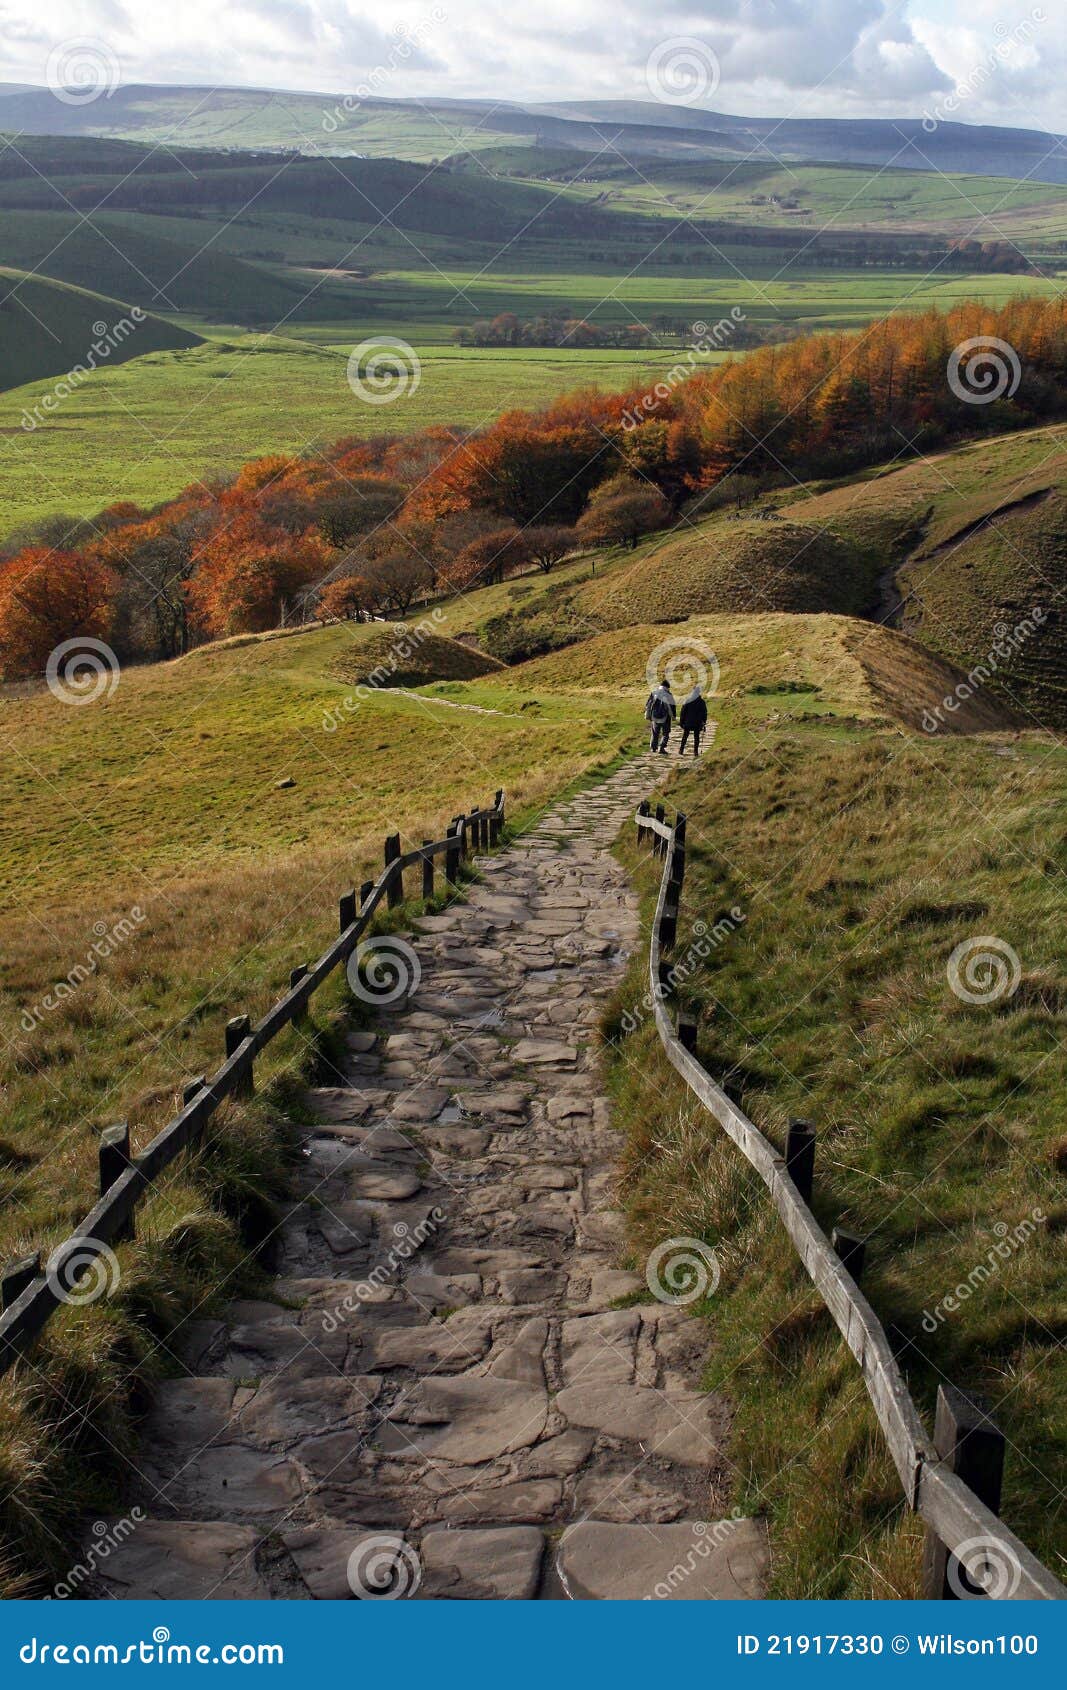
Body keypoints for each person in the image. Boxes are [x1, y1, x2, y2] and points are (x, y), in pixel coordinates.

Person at [644, 679, 675, 753]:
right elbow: (672, 707)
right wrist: (673, 716)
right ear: (667, 687)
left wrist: (648, 715)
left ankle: (653, 748)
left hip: (654, 717)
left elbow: (648, 705)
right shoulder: (669, 694)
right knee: (666, 733)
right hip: (665, 717)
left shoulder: (653, 693)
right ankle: (662, 747)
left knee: (655, 733)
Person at [678, 685, 708, 756]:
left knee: (685, 736)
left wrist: (681, 722)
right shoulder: (701, 702)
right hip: (697, 723)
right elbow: (704, 713)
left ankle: (681, 749)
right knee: (696, 737)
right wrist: (704, 722)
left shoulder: (688, 700)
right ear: (699, 692)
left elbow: (683, 712)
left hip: (687, 722)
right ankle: (695, 751)